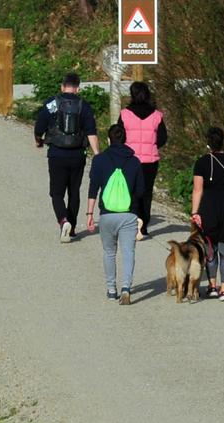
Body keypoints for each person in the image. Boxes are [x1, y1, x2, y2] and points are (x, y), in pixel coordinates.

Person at [34, 73, 99, 242]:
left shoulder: (52, 103)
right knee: (74, 192)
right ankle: (72, 229)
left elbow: (39, 126)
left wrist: (39, 140)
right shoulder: (84, 106)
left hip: (56, 154)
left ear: (62, 87)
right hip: (78, 155)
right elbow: (91, 132)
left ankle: (63, 221)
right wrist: (98, 155)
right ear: (77, 88)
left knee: (56, 192)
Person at [85, 122, 145, 304]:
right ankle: (126, 286)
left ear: (109, 140)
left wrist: (89, 214)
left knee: (109, 252)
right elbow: (141, 190)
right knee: (128, 252)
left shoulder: (99, 160)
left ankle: (112, 289)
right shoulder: (134, 161)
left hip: (107, 214)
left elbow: (93, 188)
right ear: (125, 140)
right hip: (128, 214)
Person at [189, 127, 224, 298]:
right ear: (223, 140)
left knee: (210, 249)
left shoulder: (202, 162)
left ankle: (212, 286)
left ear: (208, 142)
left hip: (208, 209)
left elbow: (197, 190)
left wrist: (195, 212)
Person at [118, 81, 166, 240]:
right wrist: (151, 145)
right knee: (146, 193)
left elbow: (120, 136)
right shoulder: (157, 115)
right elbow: (162, 138)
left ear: (131, 94)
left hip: (130, 159)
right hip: (150, 160)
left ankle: (132, 223)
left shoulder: (125, 114)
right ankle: (143, 226)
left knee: (130, 192)